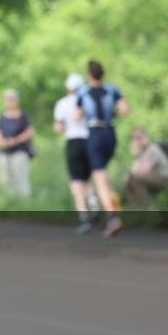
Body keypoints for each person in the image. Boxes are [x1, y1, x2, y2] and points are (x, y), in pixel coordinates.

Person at [74, 60, 130, 238]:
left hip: (95, 132)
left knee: (99, 178)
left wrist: (86, 115)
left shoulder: (83, 92)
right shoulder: (112, 89)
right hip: (110, 132)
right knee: (103, 174)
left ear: (89, 75)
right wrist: (110, 114)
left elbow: (76, 116)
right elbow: (124, 109)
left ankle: (113, 217)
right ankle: (112, 202)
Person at [54, 73, 95, 233]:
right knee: (87, 178)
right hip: (89, 140)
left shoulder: (62, 104)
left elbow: (58, 128)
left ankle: (84, 217)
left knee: (76, 182)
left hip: (73, 142)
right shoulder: (88, 101)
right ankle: (93, 202)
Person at [0, 89, 34, 198]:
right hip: (5, 151)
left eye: (12, 99)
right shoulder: (2, 117)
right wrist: (2, 142)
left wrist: (15, 140)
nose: (10, 102)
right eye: (8, 99)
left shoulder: (23, 115)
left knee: (21, 177)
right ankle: (10, 201)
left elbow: (29, 131)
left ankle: (24, 201)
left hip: (20, 150)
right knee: (6, 178)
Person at [124, 127, 168, 207]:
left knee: (133, 178)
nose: (137, 141)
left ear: (146, 136)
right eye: (135, 138)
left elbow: (143, 171)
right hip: (154, 179)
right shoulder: (141, 153)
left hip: (166, 179)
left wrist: (136, 156)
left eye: (139, 137)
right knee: (128, 179)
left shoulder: (152, 149)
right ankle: (137, 207)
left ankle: (144, 209)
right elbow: (133, 172)